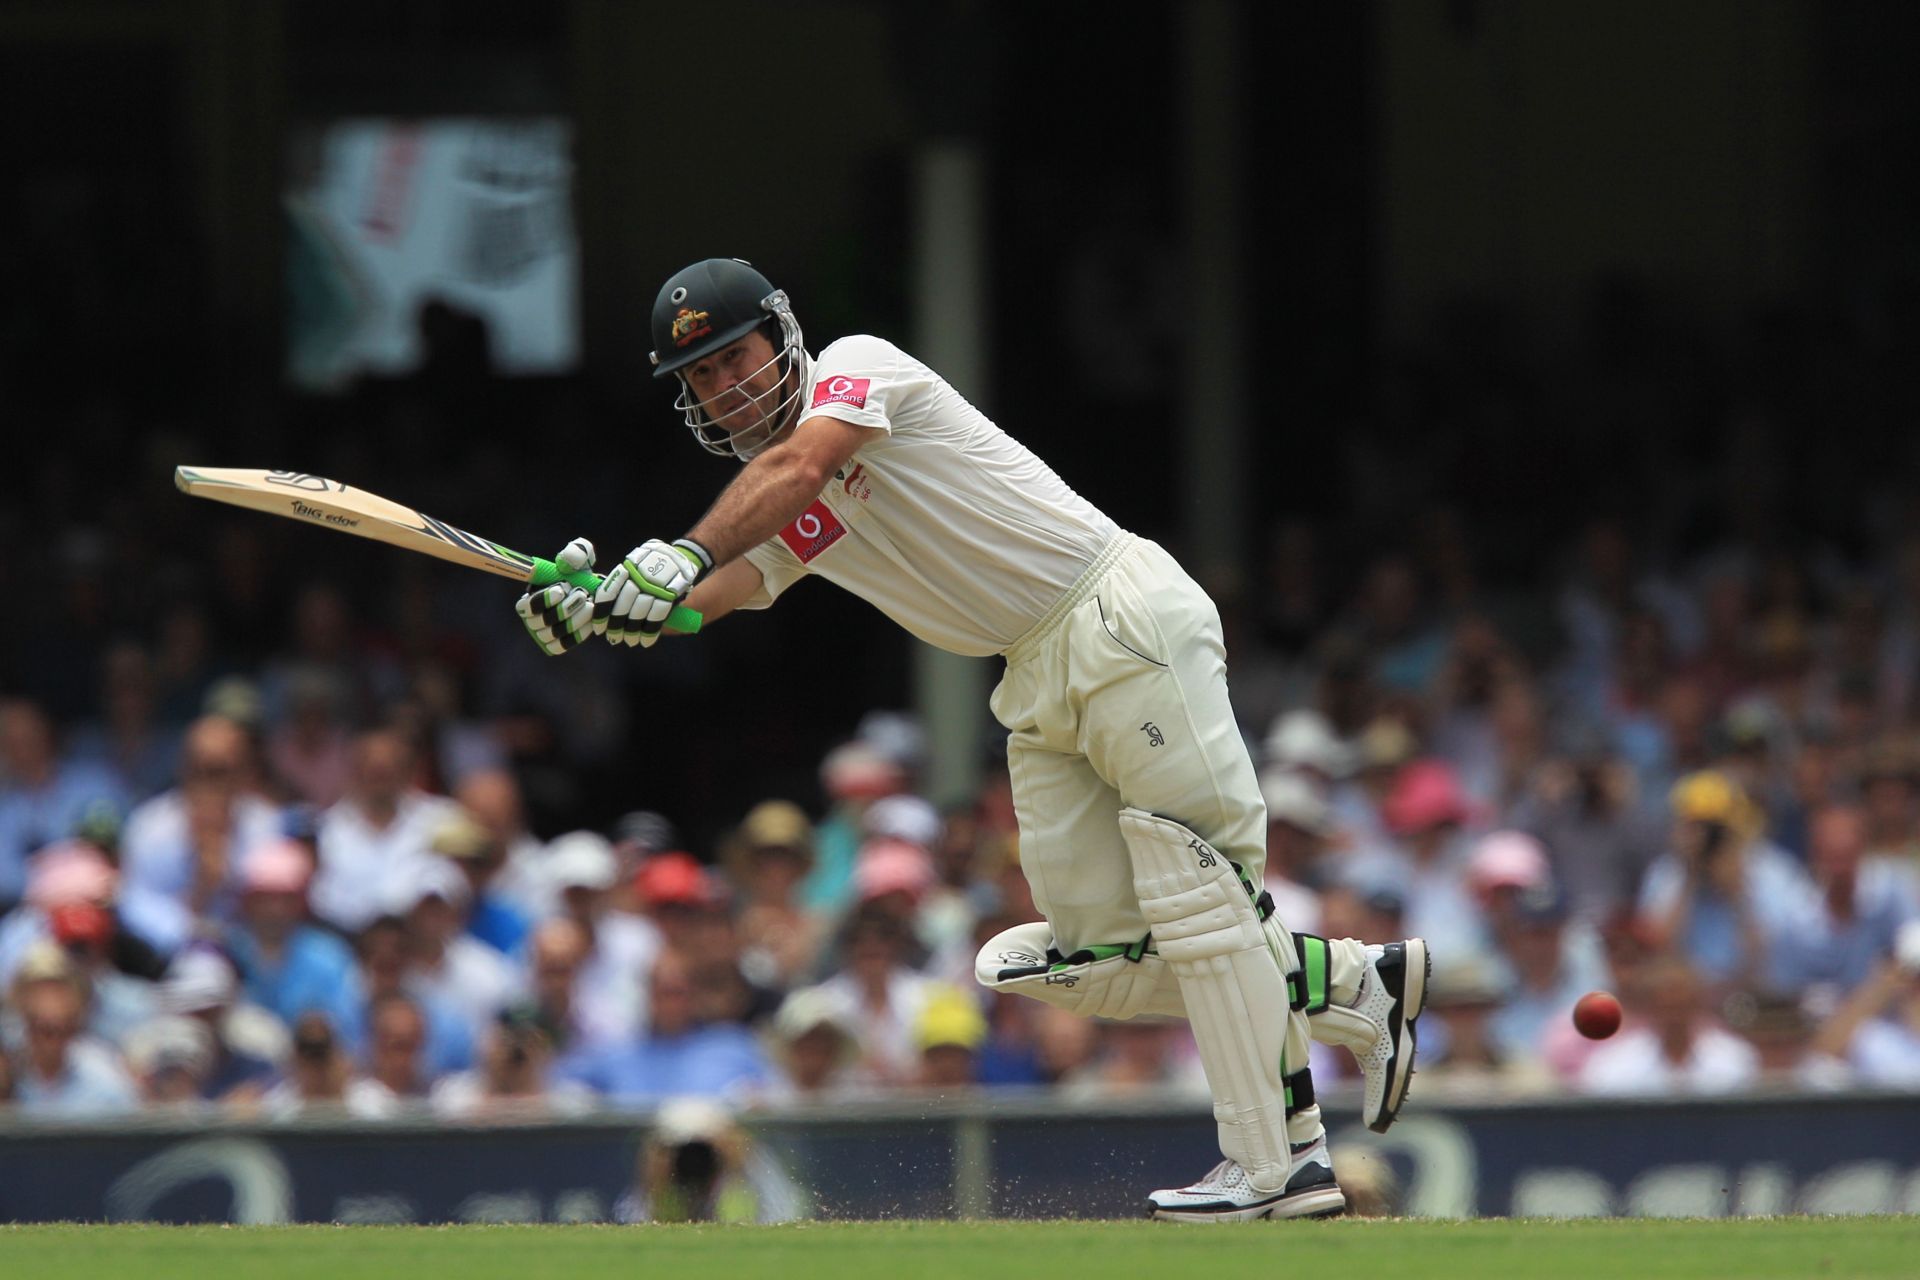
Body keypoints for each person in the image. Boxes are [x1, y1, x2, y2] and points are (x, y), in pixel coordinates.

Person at [511, 257, 1428, 1219]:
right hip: (1032, 674)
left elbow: (794, 473)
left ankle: (1282, 1165)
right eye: (697, 375)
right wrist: (613, 604)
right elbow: (730, 585)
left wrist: (681, 554)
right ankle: (1358, 982)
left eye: (732, 355)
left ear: (779, 334)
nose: (723, 384)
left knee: (1202, 901)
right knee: (1079, 959)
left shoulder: (857, 374)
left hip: (1113, 614)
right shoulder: (769, 493)